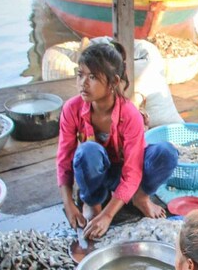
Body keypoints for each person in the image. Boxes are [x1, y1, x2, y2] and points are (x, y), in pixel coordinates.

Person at [56, 40, 179, 240]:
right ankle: (93, 201)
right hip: (97, 171)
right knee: (88, 151)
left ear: (113, 82)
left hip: (130, 174)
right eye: (81, 75)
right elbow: (64, 159)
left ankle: (140, 196)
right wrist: (68, 204)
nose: (83, 83)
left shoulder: (130, 114)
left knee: (166, 153)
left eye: (93, 77)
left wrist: (108, 215)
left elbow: (132, 172)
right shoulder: (72, 108)